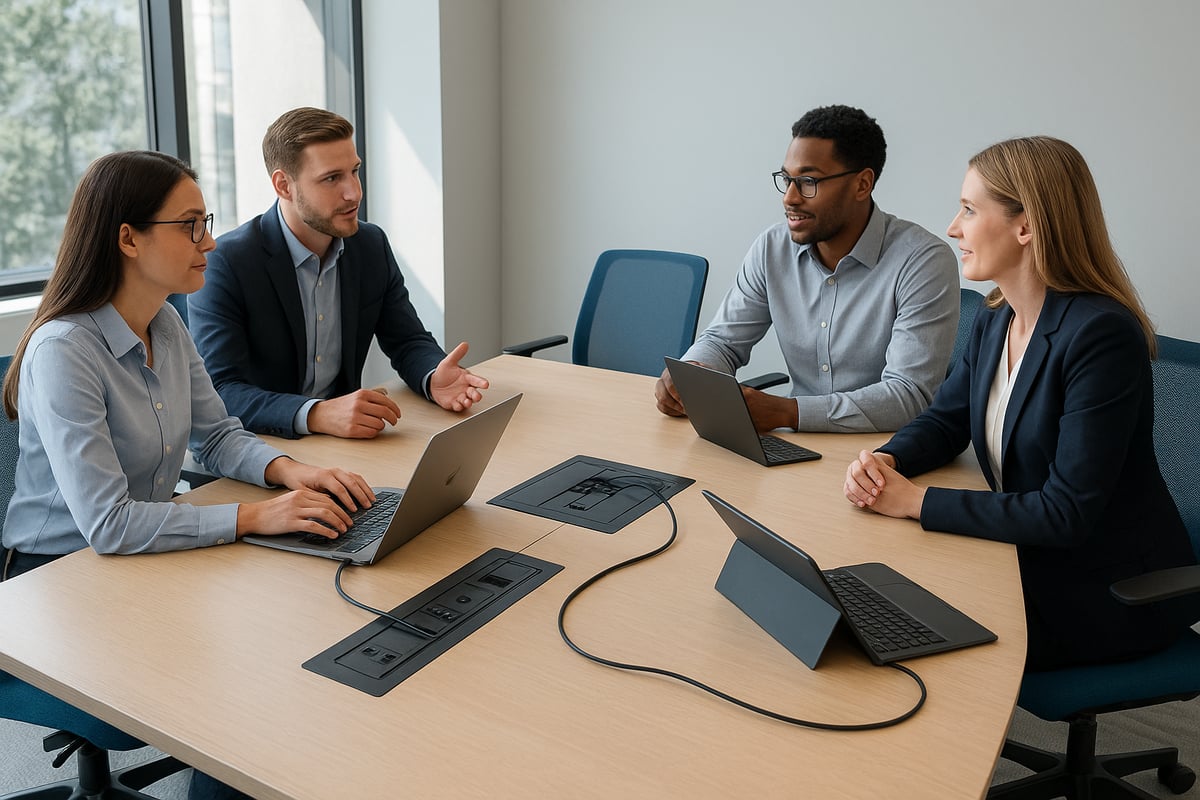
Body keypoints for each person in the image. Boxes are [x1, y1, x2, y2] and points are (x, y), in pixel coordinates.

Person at [0, 150, 375, 800]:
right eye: (190, 225)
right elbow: (109, 524)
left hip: (143, 561)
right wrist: (256, 516)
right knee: (239, 686)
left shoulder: (166, 321)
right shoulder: (65, 351)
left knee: (290, 629)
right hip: (59, 582)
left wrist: (292, 472)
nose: (209, 242)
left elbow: (220, 435)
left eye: (207, 222)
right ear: (128, 239)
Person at [843, 136, 1197, 670]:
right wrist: (888, 462)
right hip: (1021, 557)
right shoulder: (997, 316)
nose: (953, 228)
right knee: (872, 597)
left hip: (1106, 591)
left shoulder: (1101, 336)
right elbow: (946, 421)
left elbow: (1064, 512)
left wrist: (915, 502)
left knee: (906, 638)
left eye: (968, 209)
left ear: (1025, 226)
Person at [654, 105, 959, 433]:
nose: (790, 198)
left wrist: (789, 412)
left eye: (808, 181)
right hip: (798, 443)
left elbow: (908, 395)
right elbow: (723, 342)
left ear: (862, 184)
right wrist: (692, 373)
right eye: (787, 179)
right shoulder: (772, 248)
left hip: (886, 451)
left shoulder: (922, 261)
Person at [188, 106, 488, 439]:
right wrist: (316, 413)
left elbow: (407, 340)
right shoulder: (227, 262)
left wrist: (432, 376)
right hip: (257, 447)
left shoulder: (369, 245)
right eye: (332, 178)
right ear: (284, 185)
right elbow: (221, 391)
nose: (354, 192)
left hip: (342, 443)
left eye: (354, 171)